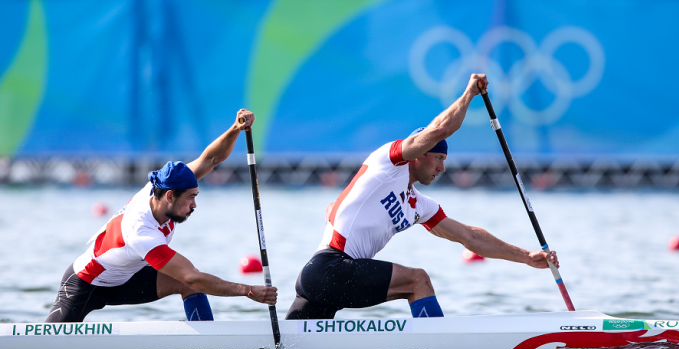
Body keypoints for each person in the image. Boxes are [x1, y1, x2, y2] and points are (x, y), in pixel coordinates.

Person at [285, 74, 559, 320]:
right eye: (438, 158)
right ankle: (436, 347)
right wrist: (469, 95)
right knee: (418, 280)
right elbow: (439, 130)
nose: (442, 167)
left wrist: (526, 256)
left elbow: (470, 237)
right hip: (330, 267)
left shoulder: (419, 205)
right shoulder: (388, 163)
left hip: (325, 279)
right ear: (419, 154)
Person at [47, 109, 277, 323]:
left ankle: (206, 340)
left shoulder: (162, 186)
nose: (194, 204)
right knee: (48, 346)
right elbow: (192, 276)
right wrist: (248, 291)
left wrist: (235, 128)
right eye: (190, 198)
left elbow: (210, 160)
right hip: (85, 283)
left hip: (127, 278)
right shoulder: (141, 230)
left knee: (188, 283)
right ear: (169, 196)